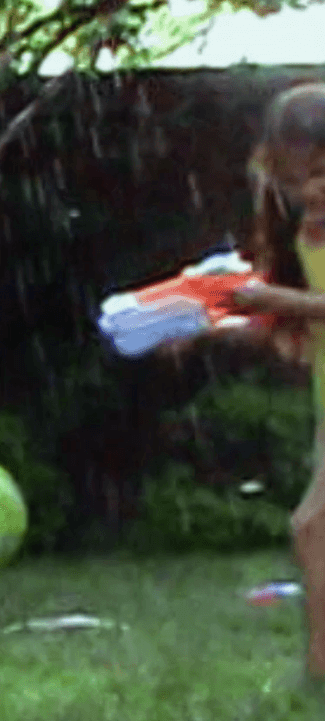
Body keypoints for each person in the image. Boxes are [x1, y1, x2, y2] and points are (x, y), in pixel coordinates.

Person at [208, 82, 325, 686]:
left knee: (314, 527)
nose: (309, 194)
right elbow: (302, 325)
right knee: (314, 530)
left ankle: (320, 669)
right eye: (297, 182)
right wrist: (223, 326)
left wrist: (272, 298)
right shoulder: (306, 234)